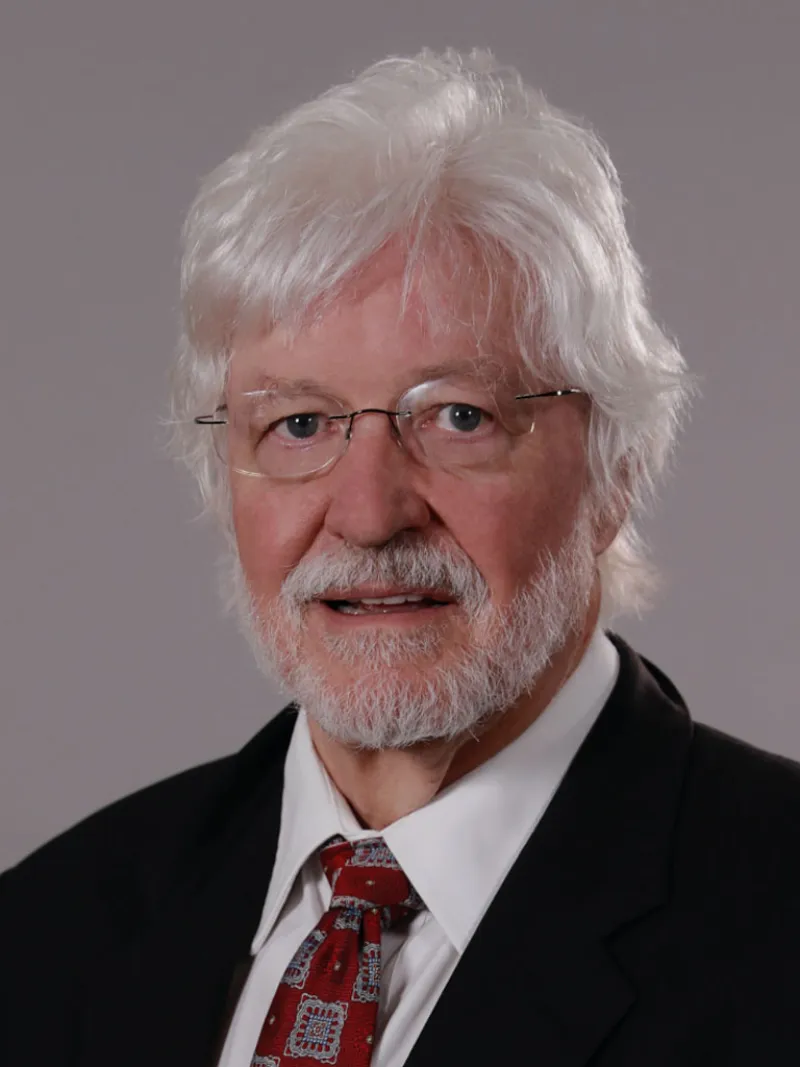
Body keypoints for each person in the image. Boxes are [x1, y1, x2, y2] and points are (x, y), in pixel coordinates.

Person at [2, 47, 799, 1067]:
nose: (369, 511)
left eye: (457, 415)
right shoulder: (45, 932)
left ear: (616, 467)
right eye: (297, 425)